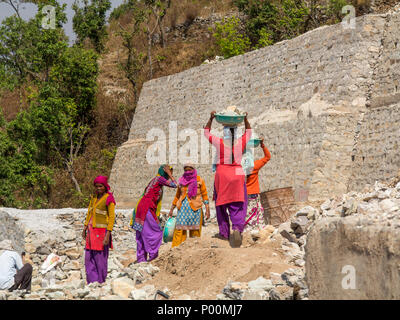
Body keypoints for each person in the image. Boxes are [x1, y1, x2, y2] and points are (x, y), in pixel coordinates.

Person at [204, 110, 252, 247]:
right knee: (238, 203)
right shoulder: (240, 143)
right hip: (237, 172)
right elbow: (248, 132)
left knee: (221, 204)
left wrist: (211, 118)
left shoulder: (219, 143)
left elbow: (206, 133)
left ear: (224, 132)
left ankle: (224, 233)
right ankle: (237, 228)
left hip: (222, 173)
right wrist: (245, 119)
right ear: (235, 132)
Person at [130, 165, 177, 262]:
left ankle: (141, 259)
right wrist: (170, 175)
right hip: (146, 208)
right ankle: (153, 256)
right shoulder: (159, 179)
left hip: (141, 208)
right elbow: (175, 185)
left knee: (142, 232)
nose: (170, 174)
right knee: (155, 231)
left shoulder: (154, 180)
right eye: (169, 172)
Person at [82, 176, 116, 284]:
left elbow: (111, 217)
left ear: (105, 186)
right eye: (96, 186)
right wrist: (85, 227)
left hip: (101, 232)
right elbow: (89, 212)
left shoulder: (109, 198)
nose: (98, 188)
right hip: (91, 231)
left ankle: (101, 281)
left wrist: (108, 234)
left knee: (100, 258)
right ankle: (92, 281)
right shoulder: (94, 197)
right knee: (89, 256)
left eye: (100, 186)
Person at [168, 163, 210, 248]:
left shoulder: (199, 180)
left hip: (196, 209)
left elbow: (204, 195)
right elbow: (177, 196)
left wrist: (207, 209)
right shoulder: (181, 181)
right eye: (186, 170)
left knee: (195, 231)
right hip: (183, 210)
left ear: (193, 170)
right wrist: (172, 209)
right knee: (180, 230)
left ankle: (194, 250)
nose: (188, 172)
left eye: (189, 170)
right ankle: (177, 249)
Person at [244, 138, 271, 231]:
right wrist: (262, 145)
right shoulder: (255, 166)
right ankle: (256, 229)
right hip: (254, 193)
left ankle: (247, 229)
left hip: (244, 194)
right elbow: (268, 157)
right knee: (256, 211)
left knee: (246, 212)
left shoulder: (239, 168)